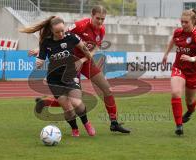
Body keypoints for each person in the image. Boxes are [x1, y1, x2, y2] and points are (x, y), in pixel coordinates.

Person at [29, 5, 130, 133]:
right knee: (74, 101)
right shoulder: (79, 25)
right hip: (70, 63)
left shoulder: (102, 30)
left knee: (107, 89)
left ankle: (114, 123)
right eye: (97, 18)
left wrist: (83, 60)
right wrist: (40, 49)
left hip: (85, 61)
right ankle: (47, 103)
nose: (100, 22)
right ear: (91, 16)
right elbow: (61, 36)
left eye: (102, 19)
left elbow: (94, 49)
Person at [20, 16, 96, 137]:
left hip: (70, 76)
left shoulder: (71, 37)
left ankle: (87, 123)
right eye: (57, 32)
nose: (61, 34)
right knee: (67, 109)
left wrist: (86, 56)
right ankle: (75, 129)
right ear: (51, 31)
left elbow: (84, 49)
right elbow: (41, 58)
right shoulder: (46, 42)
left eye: (62, 30)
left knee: (76, 102)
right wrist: (38, 63)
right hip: (54, 79)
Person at [162, 9, 196, 135]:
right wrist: (166, 54)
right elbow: (173, 41)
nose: (183, 25)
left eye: (186, 22)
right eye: (181, 22)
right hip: (179, 67)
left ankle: (190, 110)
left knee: (189, 101)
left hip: (195, 72)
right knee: (175, 92)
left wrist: (192, 59)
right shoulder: (178, 32)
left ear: (193, 21)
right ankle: (179, 126)